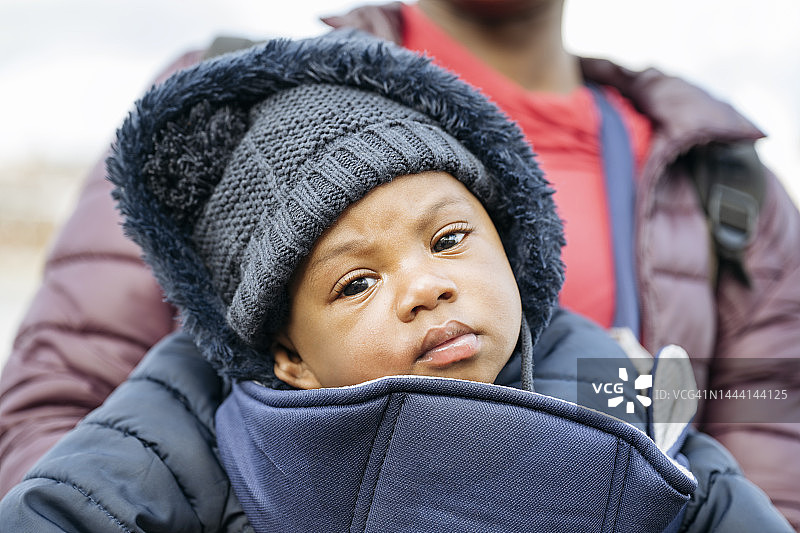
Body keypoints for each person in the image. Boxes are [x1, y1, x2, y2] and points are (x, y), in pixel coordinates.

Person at [0, 0, 798, 526]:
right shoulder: (227, 110)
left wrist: (656, 411)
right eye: (355, 280)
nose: (427, 284)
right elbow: (65, 405)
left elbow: (761, 419)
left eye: (450, 238)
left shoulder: (722, 179)